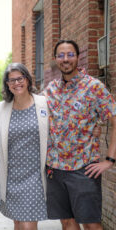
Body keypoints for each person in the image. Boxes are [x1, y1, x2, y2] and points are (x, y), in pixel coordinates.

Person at [44, 39, 116, 230]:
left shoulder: (94, 87)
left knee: (91, 224)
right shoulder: (50, 90)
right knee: (67, 223)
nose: (65, 59)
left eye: (70, 54)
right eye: (61, 55)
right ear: (55, 59)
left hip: (84, 168)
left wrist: (109, 160)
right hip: (55, 168)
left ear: (78, 57)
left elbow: (115, 121)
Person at [0, 63, 48, 230]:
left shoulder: (44, 103)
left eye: (20, 78)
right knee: (17, 222)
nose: (17, 83)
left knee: (28, 224)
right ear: (7, 85)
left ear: (27, 79)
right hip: (11, 176)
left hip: (35, 176)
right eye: (12, 80)